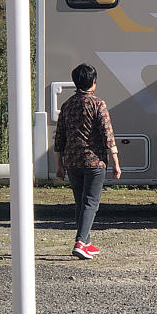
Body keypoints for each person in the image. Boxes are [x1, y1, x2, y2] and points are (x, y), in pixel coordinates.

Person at [54, 63, 121, 259]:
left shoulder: (67, 105)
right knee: (91, 203)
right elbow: (107, 134)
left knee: (81, 203)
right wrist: (116, 162)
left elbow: (59, 137)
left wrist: (59, 164)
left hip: (73, 161)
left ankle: (88, 241)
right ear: (93, 82)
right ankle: (80, 242)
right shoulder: (98, 104)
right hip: (94, 162)